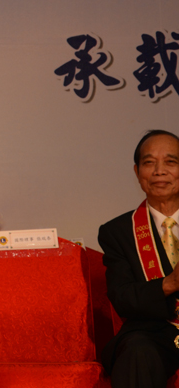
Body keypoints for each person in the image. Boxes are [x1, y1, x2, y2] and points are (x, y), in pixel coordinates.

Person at [99, 129, 179, 388]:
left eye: (170, 162)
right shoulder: (118, 232)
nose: (159, 171)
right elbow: (123, 297)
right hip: (155, 333)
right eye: (149, 163)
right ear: (137, 172)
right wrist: (169, 283)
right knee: (136, 350)